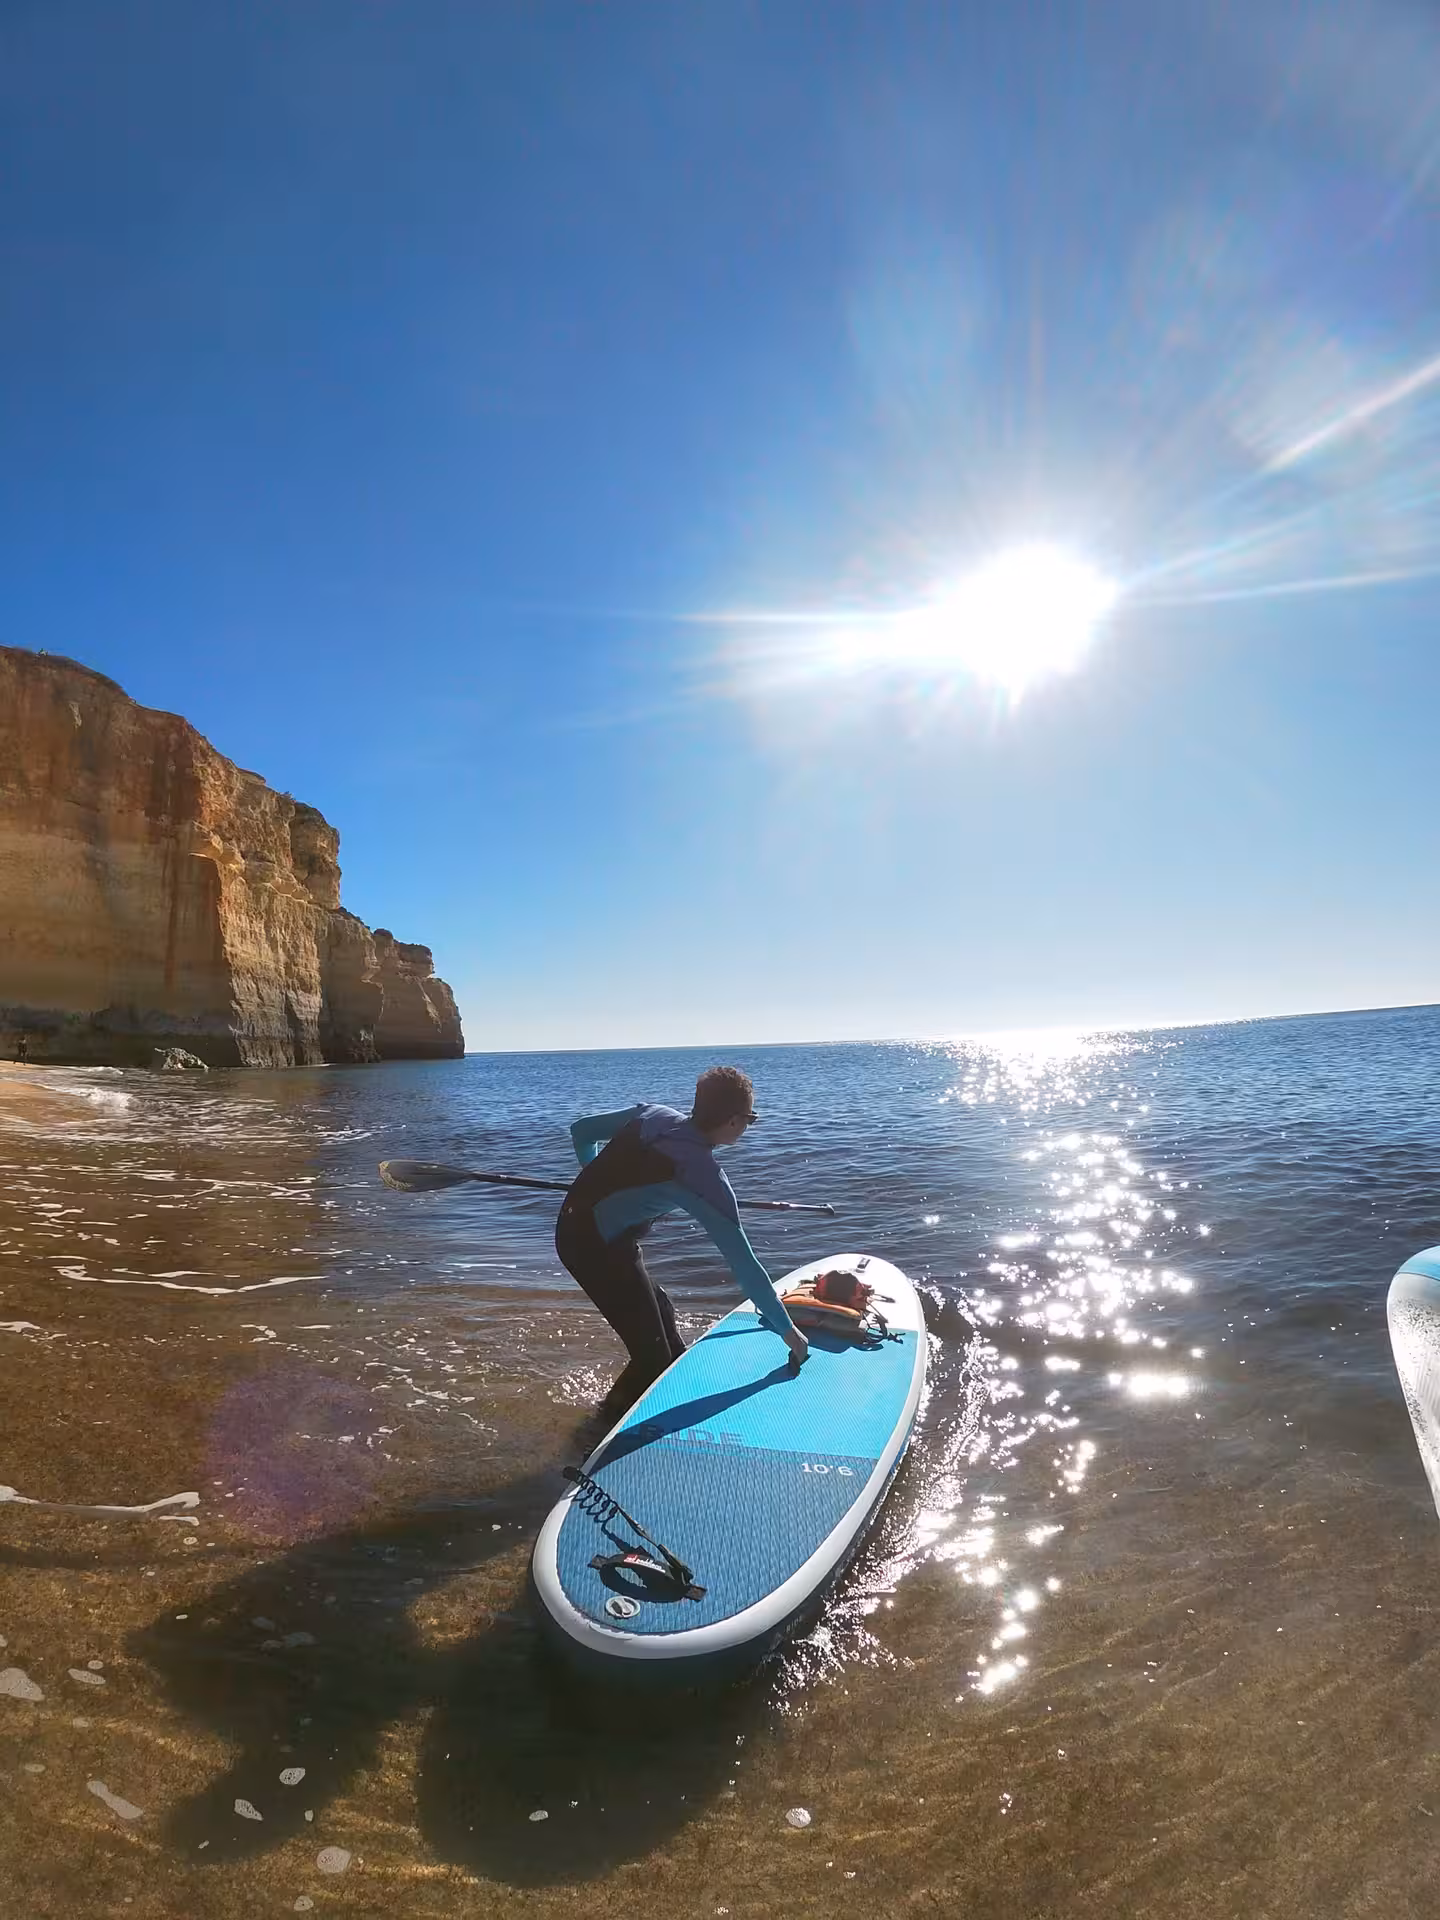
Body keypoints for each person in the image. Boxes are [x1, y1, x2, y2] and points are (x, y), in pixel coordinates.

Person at [555, 1065, 809, 1409]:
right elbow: (744, 1266)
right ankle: (595, 1437)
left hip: (578, 1225)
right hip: (594, 1248)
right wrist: (789, 1332)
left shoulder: (651, 1115)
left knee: (662, 1312)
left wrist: (596, 1177)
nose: (748, 1126)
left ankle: (663, 1385)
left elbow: (582, 1131)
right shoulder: (704, 1178)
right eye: (750, 1119)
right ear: (734, 1121)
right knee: (651, 1357)